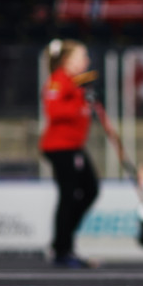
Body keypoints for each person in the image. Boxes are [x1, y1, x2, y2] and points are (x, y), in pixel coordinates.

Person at [40, 38, 99, 268]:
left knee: (88, 190)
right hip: (61, 147)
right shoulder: (58, 80)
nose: (87, 61)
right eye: (82, 56)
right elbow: (53, 111)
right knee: (70, 195)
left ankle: (62, 243)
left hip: (73, 146)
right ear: (67, 60)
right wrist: (81, 102)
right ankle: (62, 248)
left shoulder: (75, 82)